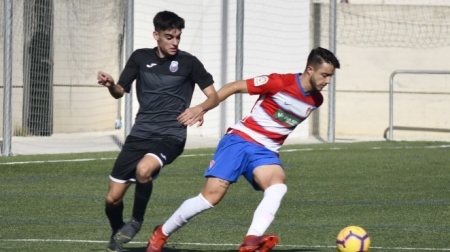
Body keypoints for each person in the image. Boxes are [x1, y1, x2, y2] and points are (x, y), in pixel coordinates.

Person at [145, 47, 340, 252]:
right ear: (310, 69)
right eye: (324, 75)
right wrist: (203, 107)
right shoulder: (279, 82)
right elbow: (235, 86)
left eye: (330, 77)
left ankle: (251, 240)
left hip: (265, 152)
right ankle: (162, 233)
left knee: (278, 187)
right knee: (210, 198)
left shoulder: (316, 100)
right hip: (239, 140)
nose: (327, 81)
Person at [97, 10, 219, 252]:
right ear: (156, 35)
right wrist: (111, 85)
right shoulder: (140, 58)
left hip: (171, 135)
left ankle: (136, 221)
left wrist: (199, 108)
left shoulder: (189, 62)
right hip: (140, 133)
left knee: (144, 169)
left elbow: (213, 96)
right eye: (169, 37)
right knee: (112, 198)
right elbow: (120, 90)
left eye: (178, 37)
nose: (174, 42)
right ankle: (117, 232)